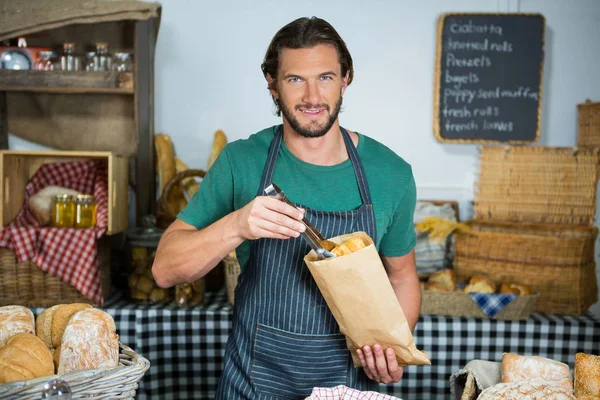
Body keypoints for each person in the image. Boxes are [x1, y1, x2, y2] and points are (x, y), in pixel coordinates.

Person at [152, 16, 420, 400]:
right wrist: (237, 225)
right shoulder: (240, 161)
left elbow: (403, 277)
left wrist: (392, 344)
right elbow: (164, 269)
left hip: (347, 387)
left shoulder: (391, 173)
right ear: (273, 85)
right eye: (295, 79)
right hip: (253, 386)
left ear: (346, 79)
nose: (312, 97)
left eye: (325, 77)